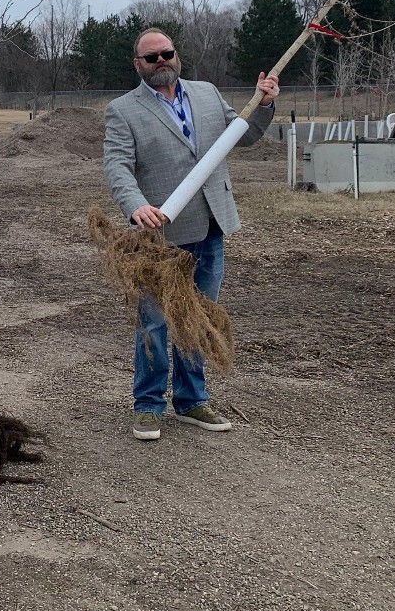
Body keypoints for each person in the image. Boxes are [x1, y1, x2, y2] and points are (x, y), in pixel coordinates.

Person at [102, 29, 279, 441]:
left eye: (167, 53)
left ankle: (191, 400)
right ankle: (148, 405)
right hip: (160, 236)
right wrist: (135, 205)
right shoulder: (123, 110)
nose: (160, 61)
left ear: (176, 55)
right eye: (151, 58)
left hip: (211, 225)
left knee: (198, 316)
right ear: (138, 65)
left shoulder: (205, 93)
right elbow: (116, 166)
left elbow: (246, 135)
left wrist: (265, 103)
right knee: (154, 321)